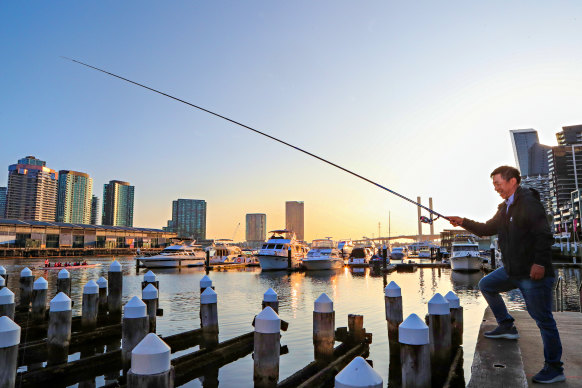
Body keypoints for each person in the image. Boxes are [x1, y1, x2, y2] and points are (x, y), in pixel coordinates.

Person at [448, 165, 565, 384]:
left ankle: (554, 368)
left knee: (543, 320)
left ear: (513, 181)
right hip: (513, 270)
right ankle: (506, 325)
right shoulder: (505, 208)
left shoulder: (529, 202)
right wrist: (462, 221)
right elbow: (485, 228)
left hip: (533, 273)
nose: (496, 188)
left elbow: (544, 235)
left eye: (498, 184)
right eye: (493, 184)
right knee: (486, 285)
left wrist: (539, 263)